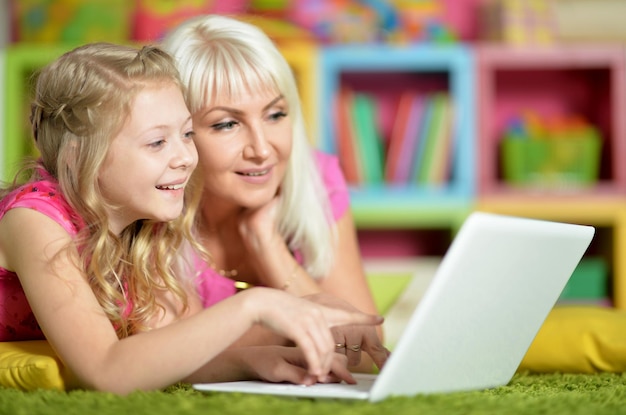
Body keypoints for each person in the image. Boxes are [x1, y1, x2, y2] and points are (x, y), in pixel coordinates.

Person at [0, 42, 384, 394]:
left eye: (186, 134)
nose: (186, 157)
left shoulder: (141, 225)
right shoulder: (35, 221)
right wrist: (256, 304)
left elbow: (160, 347)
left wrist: (252, 360)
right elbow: (106, 371)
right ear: (79, 155)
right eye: (157, 142)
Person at [161, 14, 390, 372]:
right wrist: (302, 326)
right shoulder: (152, 208)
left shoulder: (317, 180)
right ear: (180, 133)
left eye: (275, 115)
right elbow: (168, 360)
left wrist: (268, 245)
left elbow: (363, 354)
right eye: (227, 124)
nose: (262, 149)